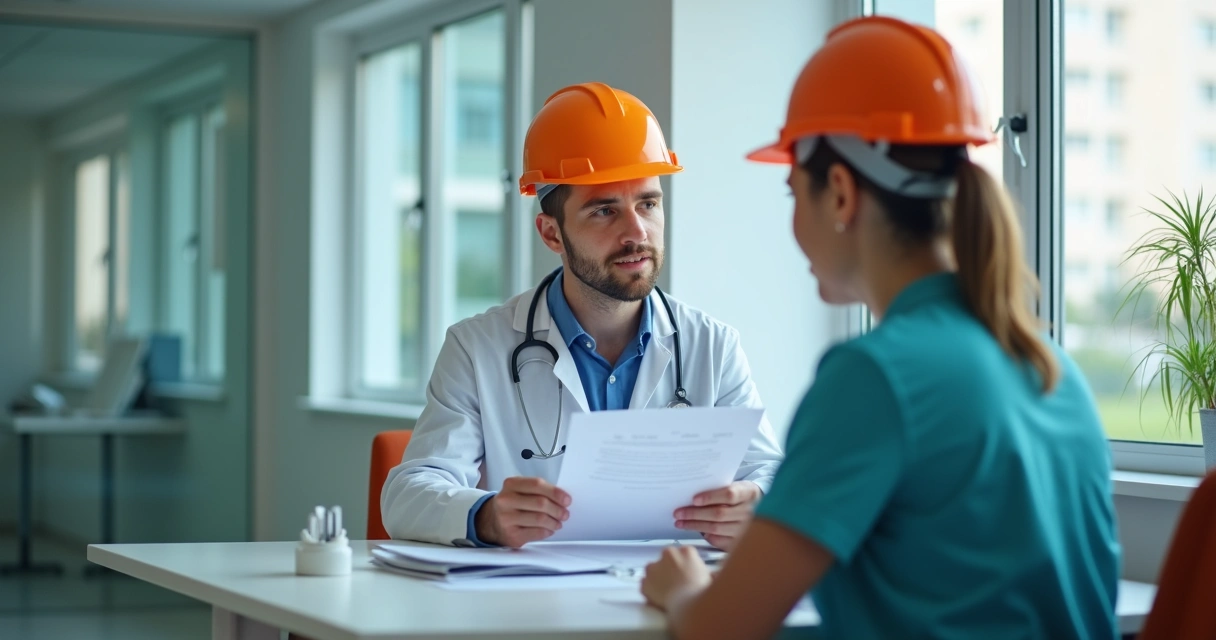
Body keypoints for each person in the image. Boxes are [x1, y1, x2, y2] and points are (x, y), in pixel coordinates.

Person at [640, 16, 1121, 639]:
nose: (793, 224)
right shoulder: (1050, 367)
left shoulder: (875, 378)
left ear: (839, 194)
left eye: (794, 194)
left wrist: (685, 593)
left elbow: (717, 629)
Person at [380, 82, 784, 550]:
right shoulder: (477, 348)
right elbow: (407, 495)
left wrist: (753, 501)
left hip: (668, 600)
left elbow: (769, 472)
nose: (637, 232)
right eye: (604, 211)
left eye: (648, 204)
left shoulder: (712, 345)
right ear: (551, 234)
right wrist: (486, 516)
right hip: (533, 609)